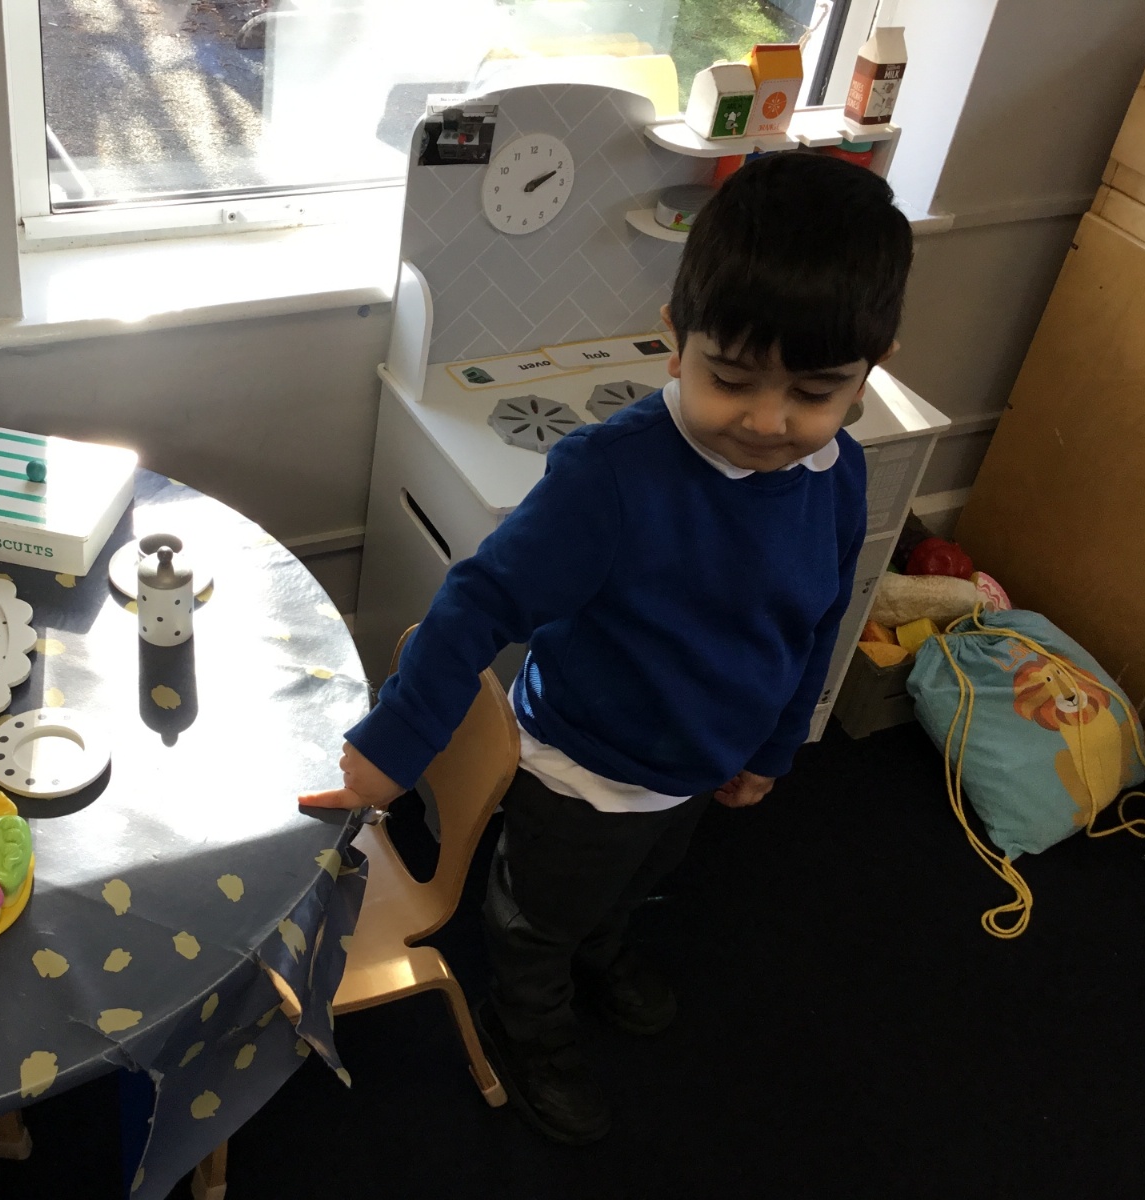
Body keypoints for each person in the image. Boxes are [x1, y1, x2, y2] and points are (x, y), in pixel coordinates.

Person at [298, 152, 911, 1145]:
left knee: (634, 880)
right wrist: (394, 748)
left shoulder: (833, 472)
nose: (768, 421)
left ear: (867, 371)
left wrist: (772, 746)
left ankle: (601, 945)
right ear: (674, 340)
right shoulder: (611, 477)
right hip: (582, 771)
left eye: (813, 391)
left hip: (697, 765)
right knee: (537, 915)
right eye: (730, 378)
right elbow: (478, 603)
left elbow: (821, 614)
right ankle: (527, 1015)